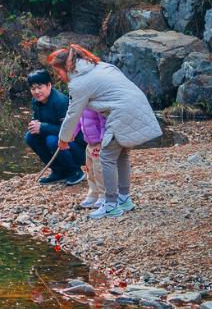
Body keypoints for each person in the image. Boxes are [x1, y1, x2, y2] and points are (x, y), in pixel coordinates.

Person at [49, 44, 162, 219]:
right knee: (122, 154)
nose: (58, 76)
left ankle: (110, 205)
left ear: (66, 67)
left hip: (122, 112)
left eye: (58, 72)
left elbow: (73, 114)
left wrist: (63, 139)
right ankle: (124, 199)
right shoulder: (100, 66)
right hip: (138, 105)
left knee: (107, 156)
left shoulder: (79, 82)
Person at [24, 67, 86, 185]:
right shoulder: (36, 101)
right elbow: (38, 120)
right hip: (59, 140)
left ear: (49, 85)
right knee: (30, 137)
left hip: (78, 147)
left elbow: (70, 130)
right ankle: (58, 171)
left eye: (39, 87)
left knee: (52, 140)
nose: (36, 92)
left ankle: (75, 171)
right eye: (33, 88)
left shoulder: (61, 102)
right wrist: (34, 125)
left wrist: (42, 127)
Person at [78, 101, 107, 211]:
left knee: (99, 170)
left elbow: (103, 121)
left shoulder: (96, 103)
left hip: (98, 143)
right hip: (88, 143)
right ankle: (93, 193)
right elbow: (78, 121)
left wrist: (103, 138)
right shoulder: (81, 103)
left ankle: (103, 194)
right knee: (89, 170)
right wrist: (73, 133)